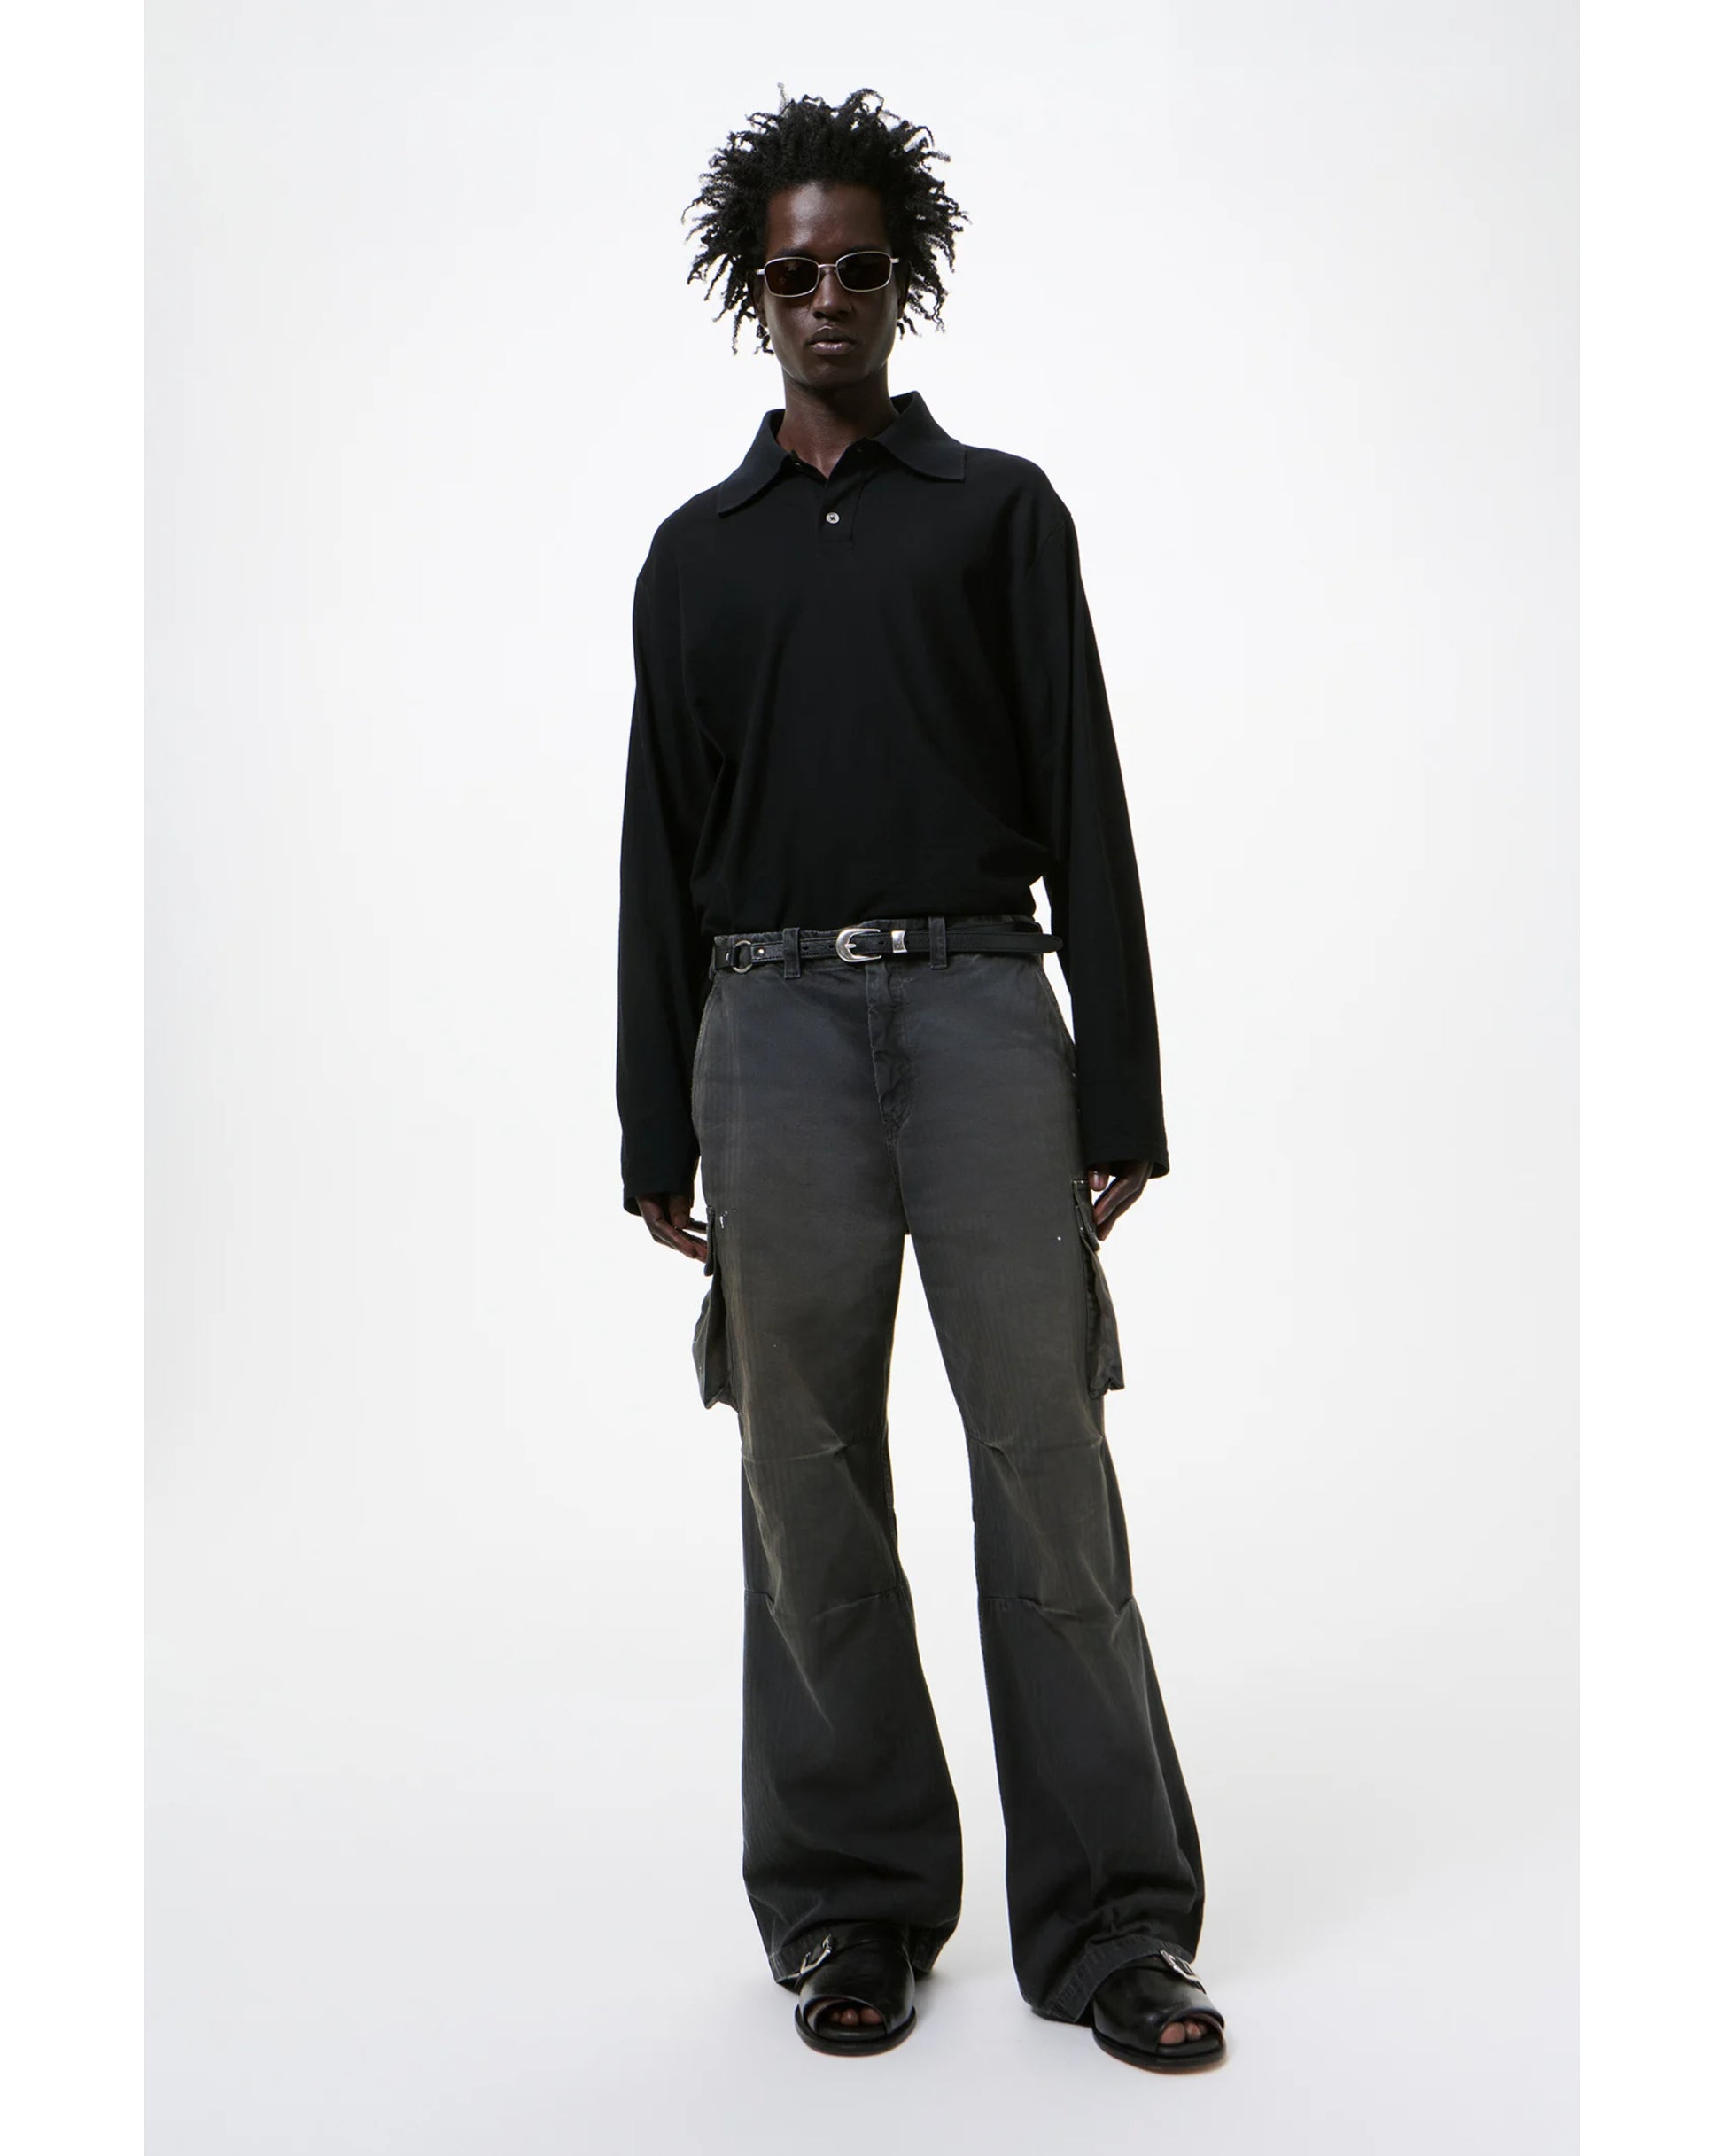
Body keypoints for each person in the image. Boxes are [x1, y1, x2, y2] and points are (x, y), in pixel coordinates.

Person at [614, 85, 1226, 2072]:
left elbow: (1084, 793)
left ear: (907, 283)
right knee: (803, 1479)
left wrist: (1119, 1093)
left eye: (860, 267)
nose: (827, 298)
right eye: (794, 271)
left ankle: (1113, 1921)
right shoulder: (695, 558)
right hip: (768, 1029)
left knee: (1045, 1462)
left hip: (979, 1015)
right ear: (752, 288)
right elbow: (658, 847)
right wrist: (652, 1119)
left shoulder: (998, 515)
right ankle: (851, 1902)